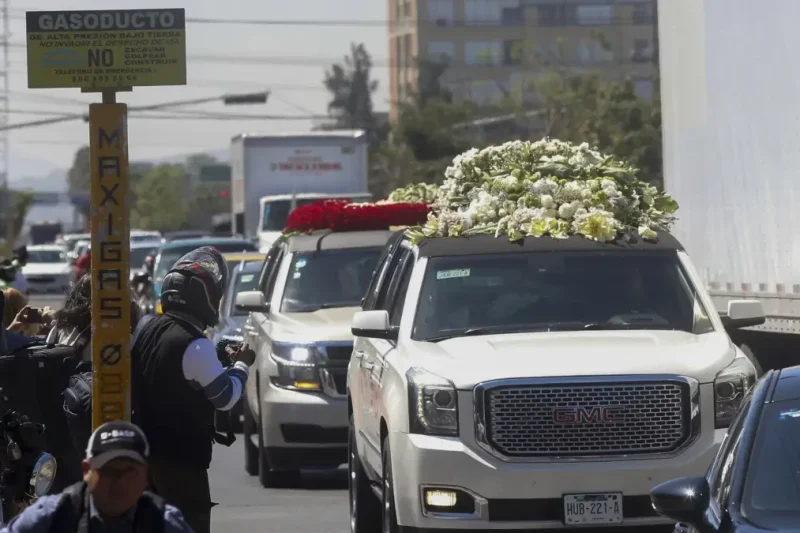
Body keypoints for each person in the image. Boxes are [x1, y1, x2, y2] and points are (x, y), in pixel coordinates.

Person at [132, 246, 255, 533]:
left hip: (145, 457)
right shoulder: (194, 344)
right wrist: (242, 365)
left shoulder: (148, 327)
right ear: (205, 298)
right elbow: (225, 398)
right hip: (181, 463)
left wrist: (221, 355)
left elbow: (170, 368)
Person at [0, 421, 195, 533]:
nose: (121, 482)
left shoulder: (165, 522)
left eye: (131, 472)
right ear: (87, 470)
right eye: (109, 471)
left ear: (145, 476)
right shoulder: (51, 517)